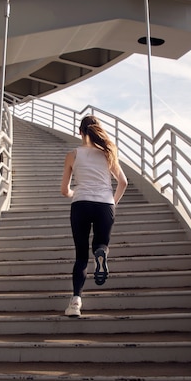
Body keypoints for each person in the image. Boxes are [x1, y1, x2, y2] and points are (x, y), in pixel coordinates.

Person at [60, 115, 128, 317]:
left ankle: (75, 304)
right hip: (104, 204)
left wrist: (75, 193)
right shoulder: (108, 153)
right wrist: (112, 203)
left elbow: (64, 190)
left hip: (81, 203)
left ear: (79, 132)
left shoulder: (73, 155)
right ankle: (101, 253)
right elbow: (123, 182)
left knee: (81, 256)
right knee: (100, 245)